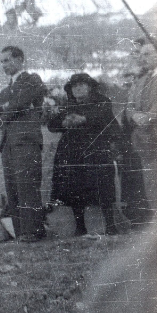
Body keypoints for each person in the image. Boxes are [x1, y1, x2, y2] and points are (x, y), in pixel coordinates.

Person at [0, 46, 47, 242]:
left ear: (20, 59)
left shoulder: (32, 79)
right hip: (9, 142)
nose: (4, 65)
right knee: (13, 187)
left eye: (8, 60)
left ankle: (33, 231)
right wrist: (7, 107)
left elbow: (20, 102)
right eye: (2, 61)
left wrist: (4, 108)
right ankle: (21, 232)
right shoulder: (7, 89)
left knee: (27, 185)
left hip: (26, 140)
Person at [47, 73, 121, 236]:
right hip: (72, 153)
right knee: (74, 188)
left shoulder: (102, 102)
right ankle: (80, 227)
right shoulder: (68, 105)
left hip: (96, 151)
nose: (78, 88)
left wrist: (84, 119)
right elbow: (52, 124)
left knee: (103, 186)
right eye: (74, 86)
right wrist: (63, 122)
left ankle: (110, 225)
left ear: (90, 87)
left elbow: (103, 118)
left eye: (82, 84)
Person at [122, 38, 157, 221]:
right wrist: (134, 116)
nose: (142, 58)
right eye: (141, 54)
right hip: (145, 142)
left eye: (147, 54)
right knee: (151, 185)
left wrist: (149, 116)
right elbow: (129, 105)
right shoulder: (141, 80)